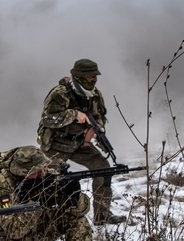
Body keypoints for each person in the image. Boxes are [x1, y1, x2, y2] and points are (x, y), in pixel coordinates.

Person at [0, 145, 94, 241]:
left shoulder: (45, 175)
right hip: (6, 239)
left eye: (42, 168)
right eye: (36, 172)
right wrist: (36, 203)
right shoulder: (1, 186)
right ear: (22, 173)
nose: (42, 173)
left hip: (36, 228)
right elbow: (13, 231)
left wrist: (74, 196)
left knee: (78, 222)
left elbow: (82, 210)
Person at [37, 58, 125, 225]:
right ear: (79, 77)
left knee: (103, 169)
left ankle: (102, 216)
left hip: (80, 144)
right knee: (47, 180)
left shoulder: (95, 95)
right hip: (56, 145)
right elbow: (47, 119)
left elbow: (99, 118)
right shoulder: (60, 93)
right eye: (91, 76)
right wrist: (74, 115)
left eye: (95, 76)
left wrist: (95, 131)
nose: (94, 80)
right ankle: (44, 220)